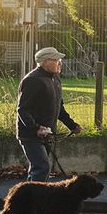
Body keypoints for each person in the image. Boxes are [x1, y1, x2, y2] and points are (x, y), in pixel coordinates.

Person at [16, 47, 82, 181]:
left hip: (47, 134)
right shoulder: (33, 80)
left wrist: (72, 125)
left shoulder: (55, 79)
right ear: (45, 62)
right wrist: (36, 128)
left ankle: (29, 199)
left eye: (60, 60)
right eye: (56, 59)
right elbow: (23, 109)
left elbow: (59, 108)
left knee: (38, 169)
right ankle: (36, 200)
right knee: (42, 168)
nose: (60, 63)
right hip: (31, 135)